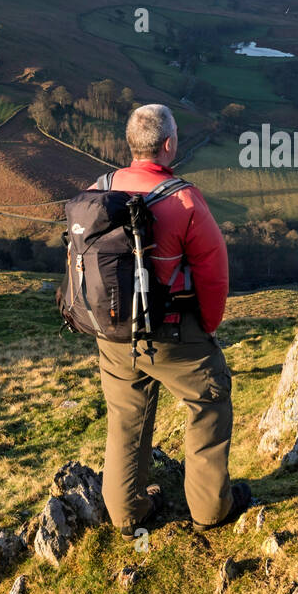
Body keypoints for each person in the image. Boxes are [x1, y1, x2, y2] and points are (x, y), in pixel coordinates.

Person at [90, 103, 251, 535]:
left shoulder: (99, 189)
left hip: (112, 331)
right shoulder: (183, 199)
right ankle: (210, 509)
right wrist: (209, 329)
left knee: (126, 416)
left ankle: (127, 513)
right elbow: (214, 274)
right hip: (172, 333)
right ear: (169, 144)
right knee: (209, 401)